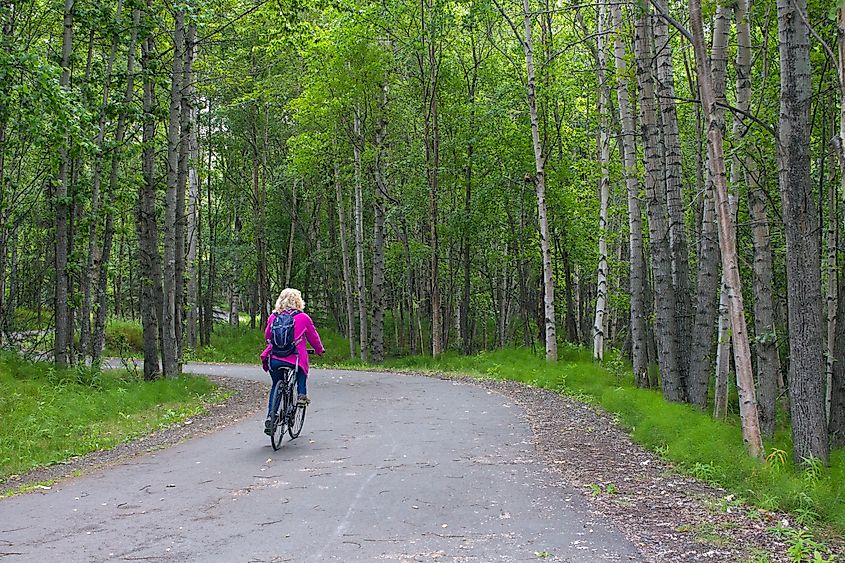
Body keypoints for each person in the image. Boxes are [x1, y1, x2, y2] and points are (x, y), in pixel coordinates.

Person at [260, 288, 325, 435]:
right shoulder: (303, 318)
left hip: (275, 358)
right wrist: (319, 350)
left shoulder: (273, 317)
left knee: (276, 385)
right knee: (301, 368)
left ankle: (271, 416)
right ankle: (301, 394)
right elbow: (313, 337)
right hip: (294, 358)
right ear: (298, 301)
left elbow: (267, 336)